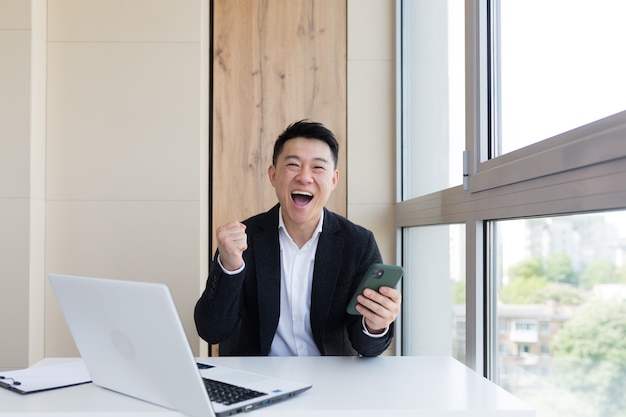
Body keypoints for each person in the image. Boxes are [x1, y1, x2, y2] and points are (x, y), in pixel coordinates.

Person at [194, 120, 402, 356]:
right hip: (258, 379)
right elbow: (211, 331)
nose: (304, 177)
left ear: (333, 180)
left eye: (318, 168)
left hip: (331, 380)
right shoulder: (242, 241)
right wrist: (229, 268)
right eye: (293, 164)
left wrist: (376, 325)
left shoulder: (358, 243)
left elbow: (368, 347)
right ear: (273, 175)